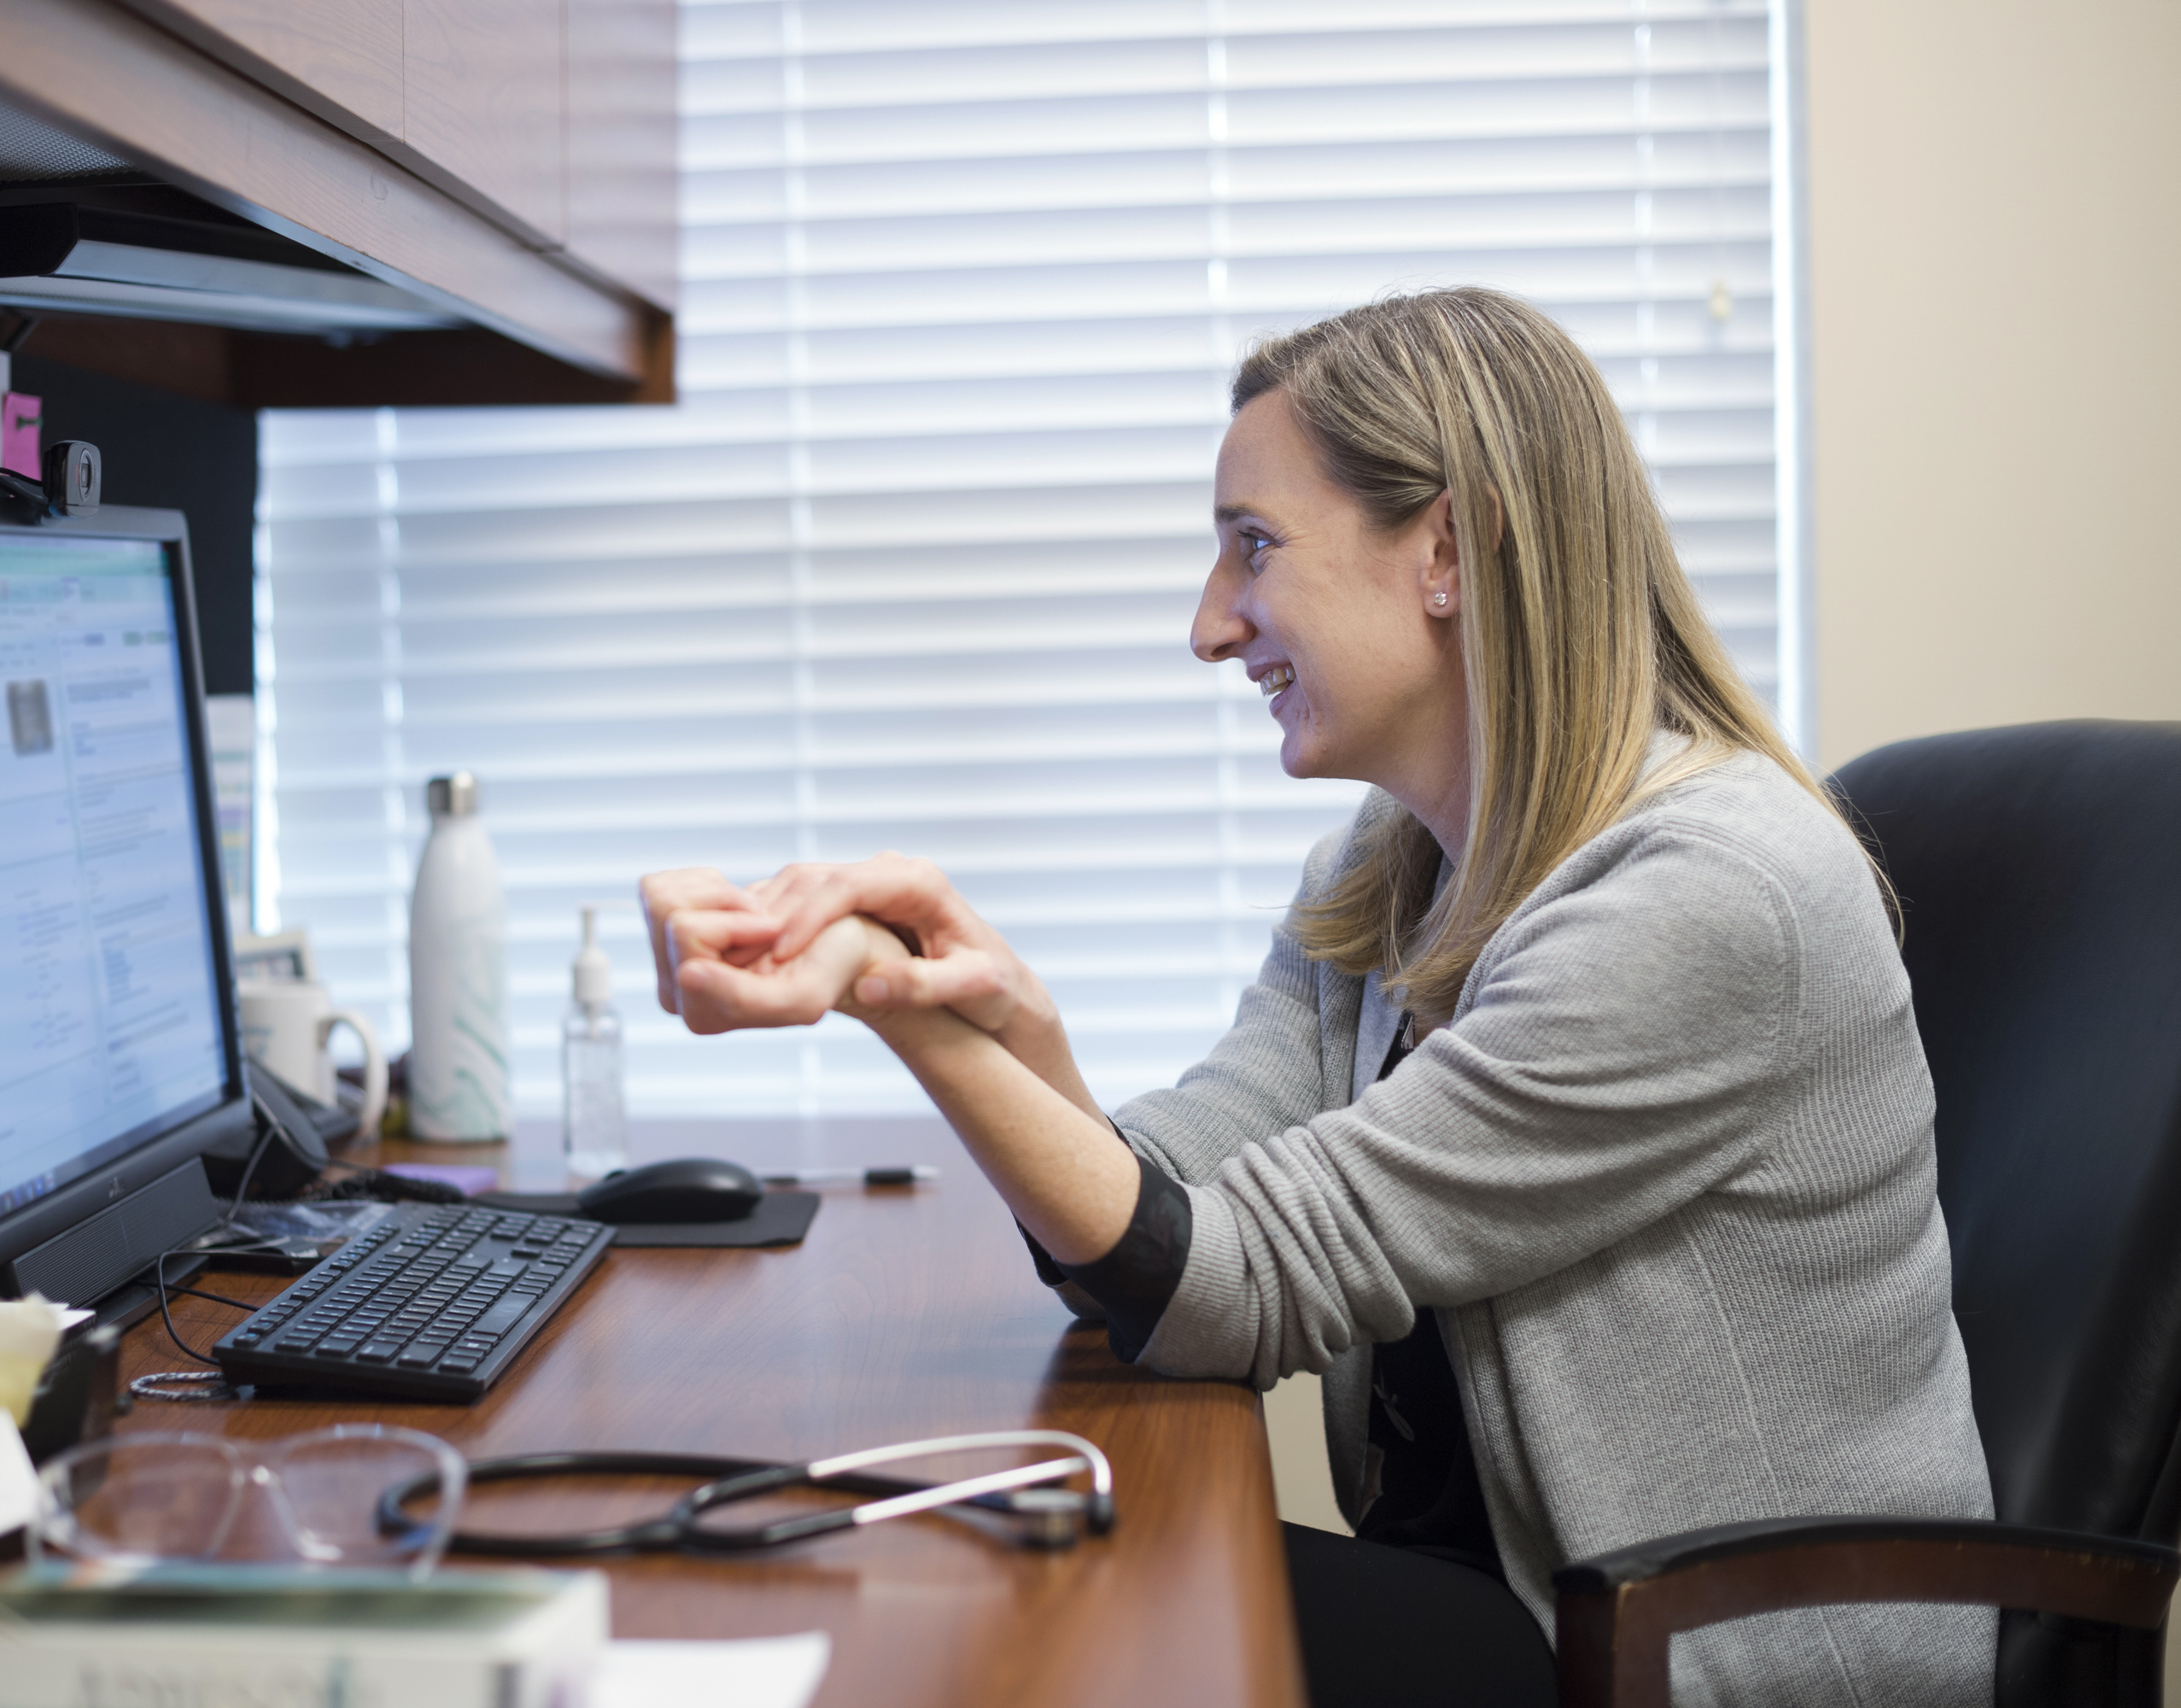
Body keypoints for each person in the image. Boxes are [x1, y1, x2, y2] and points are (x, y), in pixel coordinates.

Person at [640, 288, 1993, 1708]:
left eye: (1256, 549)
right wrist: (1001, 1018)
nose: (1212, 627)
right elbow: (1181, 1202)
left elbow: (1234, 1288)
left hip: (1701, 1650)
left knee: (1060, 1602)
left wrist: (895, 1010)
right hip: (1526, 1600)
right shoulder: (1397, 862)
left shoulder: (1710, 895)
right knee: (1034, 1559)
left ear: (1449, 551)